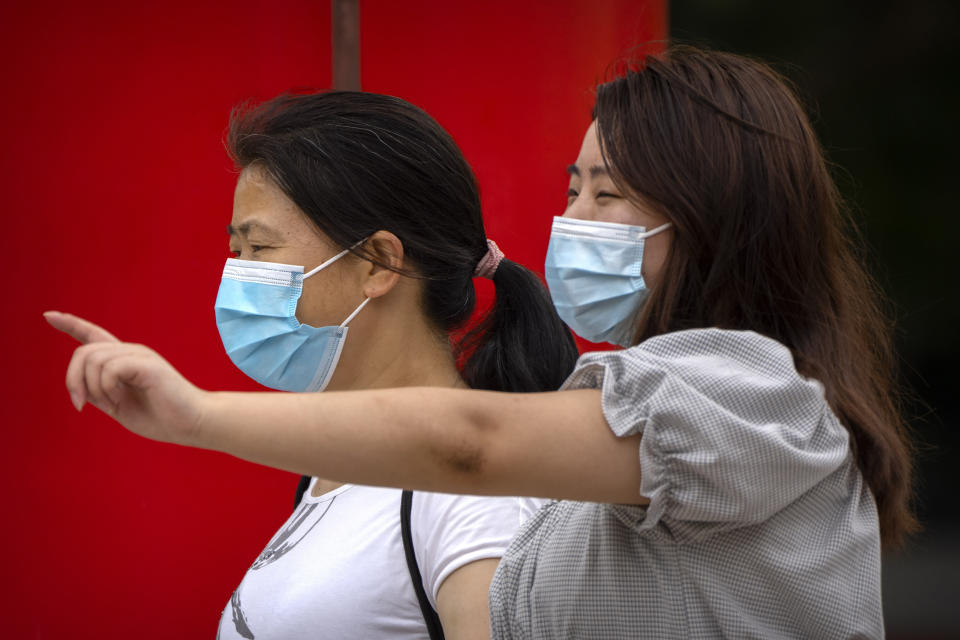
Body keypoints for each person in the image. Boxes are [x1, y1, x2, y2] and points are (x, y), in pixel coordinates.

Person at [47, 46, 916, 638]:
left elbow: (469, 444)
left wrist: (194, 417)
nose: (569, 221)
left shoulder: (746, 392)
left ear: (713, 216)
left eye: (606, 196)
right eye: (571, 188)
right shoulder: (611, 448)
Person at [47, 91, 579, 639]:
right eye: (236, 253)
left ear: (379, 263)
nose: (238, 275)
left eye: (259, 247)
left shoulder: (471, 499)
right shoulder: (328, 471)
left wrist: (195, 417)